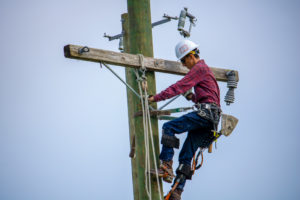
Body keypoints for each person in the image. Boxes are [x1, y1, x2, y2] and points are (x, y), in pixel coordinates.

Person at [148, 39, 221, 200]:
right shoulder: (205, 71)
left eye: (183, 60)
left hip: (205, 115)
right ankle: (177, 192)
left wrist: (155, 98)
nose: (183, 64)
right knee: (186, 155)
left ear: (190, 56)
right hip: (212, 120)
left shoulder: (199, 68)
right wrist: (192, 97)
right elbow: (210, 98)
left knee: (169, 127)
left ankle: (166, 166)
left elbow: (178, 86)